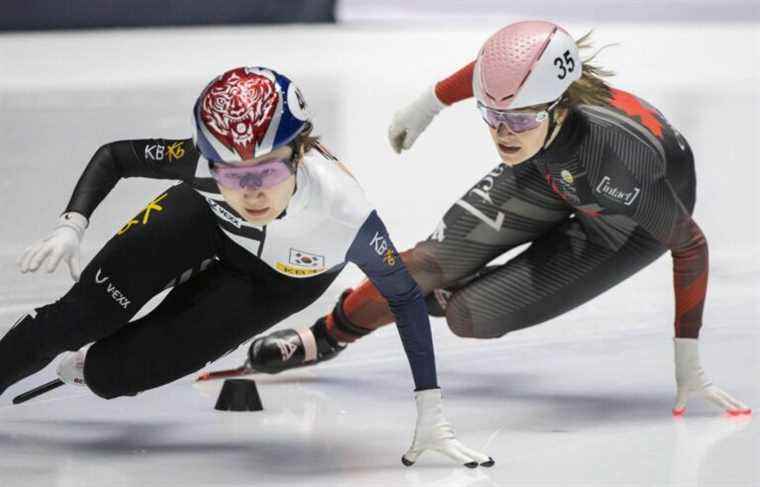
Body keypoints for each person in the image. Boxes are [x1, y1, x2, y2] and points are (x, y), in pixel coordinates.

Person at [245, 21, 751, 417]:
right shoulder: (527, 100)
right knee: (427, 261)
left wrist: (689, 359)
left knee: (470, 315)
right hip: (551, 169)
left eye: (520, 120)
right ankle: (327, 336)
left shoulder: (615, 162)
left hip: (624, 223)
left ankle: (449, 295)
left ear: (561, 107)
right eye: (492, 117)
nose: (503, 134)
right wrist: (429, 105)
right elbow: (489, 73)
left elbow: (691, 246)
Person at [4, 66, 494, 468]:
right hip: (203, 220)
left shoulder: (344, 216)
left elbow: (405, 297)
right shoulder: (200, 163)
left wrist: (432, 411)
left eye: (268, 171)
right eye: (232, 174)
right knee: (80, 316)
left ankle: (86, 369)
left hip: (277, 280)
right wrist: (72, 224)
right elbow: (115, 156)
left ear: (301, 153)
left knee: (114, 375)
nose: (251, 191)